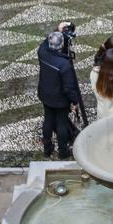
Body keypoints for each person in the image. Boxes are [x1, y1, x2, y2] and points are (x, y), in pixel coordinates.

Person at [37, 30, 82, 159]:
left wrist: (58, 28)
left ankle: (47, 148)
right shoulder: (64, 65)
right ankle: (63, 150)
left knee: (48, 120)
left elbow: (44, 43)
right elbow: (68, 88)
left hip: (45, 94)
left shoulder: (42, 52)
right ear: (62, 45)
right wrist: (74, 101)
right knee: (61, 123)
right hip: (59, 99)